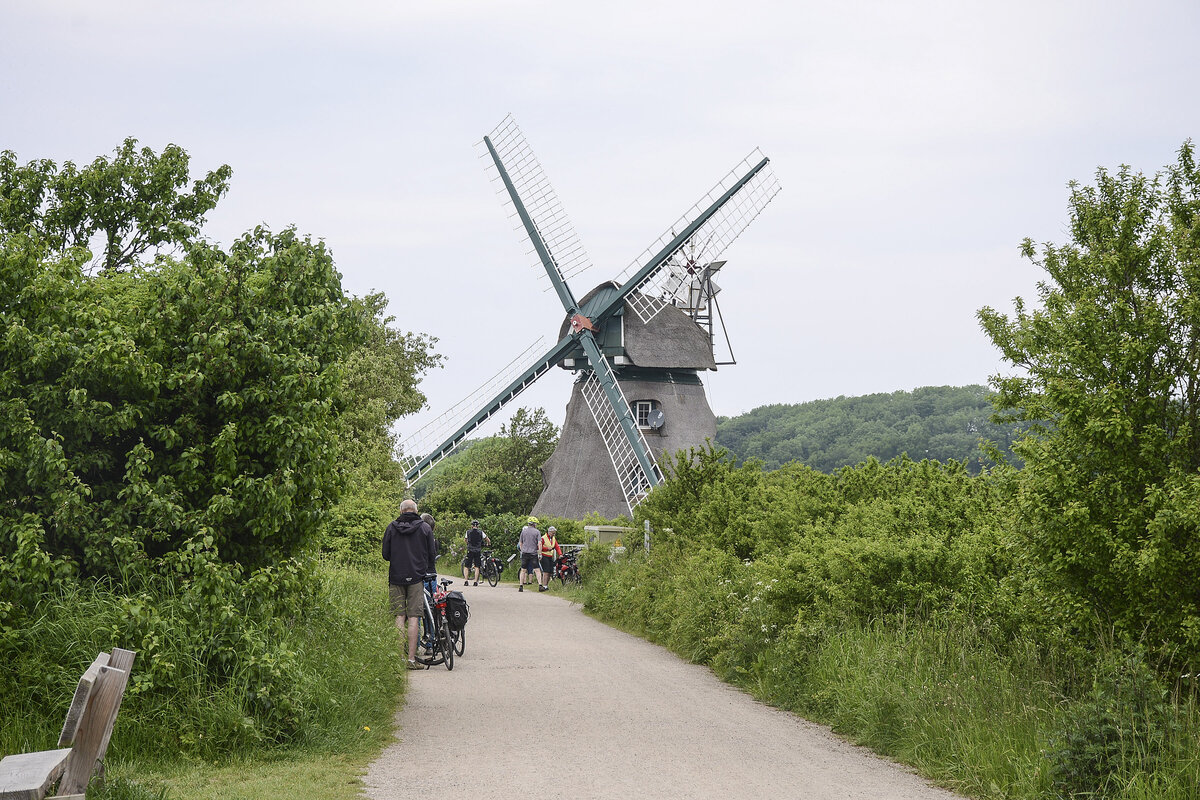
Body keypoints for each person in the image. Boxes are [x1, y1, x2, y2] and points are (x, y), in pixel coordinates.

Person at [383, 499, 437, 670]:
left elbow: (385, 554)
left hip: (396, 577)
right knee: (414, 617)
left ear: (401, 511)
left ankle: (399, 659)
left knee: (399, 617)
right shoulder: (425, 528)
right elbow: (431, 554)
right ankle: (411, 660)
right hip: (416, 578)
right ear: (416, 510)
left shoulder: (391, 527)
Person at [517, 516, 542, 592]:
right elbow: (539, 543)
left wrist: (522, 550)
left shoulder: (523, 532)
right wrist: (540, 553)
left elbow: (520, 543)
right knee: (537, 570)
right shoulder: (537, 532)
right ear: (534, 524)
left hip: (525, 553)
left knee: (523, 570)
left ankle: (521, 586)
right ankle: (540, 585)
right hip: (533, 553)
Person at [462, 520, 490, 586]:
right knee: (477, 566)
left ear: (472, 526)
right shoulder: (481, 532)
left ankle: (466, 581)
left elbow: (465, 540)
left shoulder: (468, 532)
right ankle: (475, 582)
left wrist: (468, 543)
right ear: (478, 526)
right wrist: (488, 544)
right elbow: (487, 539)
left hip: (470, 550)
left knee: (466, 566)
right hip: (477, 550)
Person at [538, 525, 562, 592]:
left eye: (554, 533)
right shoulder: (543, 538)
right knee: (546, 571)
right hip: (544, 555)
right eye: (553, 533)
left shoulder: (554, 539)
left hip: (550, 556)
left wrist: (560, 554)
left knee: (550, 572)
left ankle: (546, 585)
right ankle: (544, 585)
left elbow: (557, 547)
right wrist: (546, 549)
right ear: (549, 532)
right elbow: (539, 547)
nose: (554, 534)